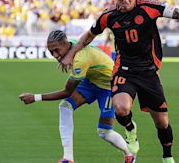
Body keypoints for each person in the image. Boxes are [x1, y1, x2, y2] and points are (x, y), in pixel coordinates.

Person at [60, 0, 179, 163]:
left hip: (149, 72)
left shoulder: (148, 8)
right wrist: (70, 54)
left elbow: (171, 10)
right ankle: (130, 130)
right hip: (125, 70)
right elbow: (88, 36)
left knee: (162, 122)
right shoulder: (108, 16)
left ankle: (167, 156)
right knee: (121, 108)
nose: (125, 0)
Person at [19, 30, 135, 163]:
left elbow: (67, 91)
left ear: (66, 44)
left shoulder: (81, 59)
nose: (55, 55)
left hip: (108, 85)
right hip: (91, 80)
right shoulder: (73, 45)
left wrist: (35, 97)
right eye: (51, 52)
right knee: (65, 106)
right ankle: (68, 158)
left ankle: (129, 155)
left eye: (57, 50)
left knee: (104, 132)